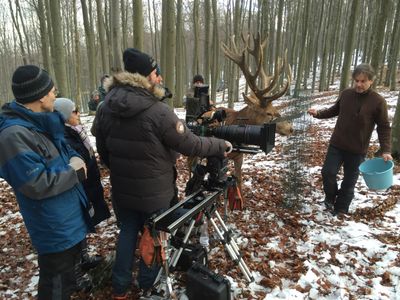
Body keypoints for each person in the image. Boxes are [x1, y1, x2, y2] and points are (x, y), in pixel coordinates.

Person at [95, 48, 232, 299]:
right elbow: (191, 145)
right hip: (155, 194)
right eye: (156, 73)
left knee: (127, 232)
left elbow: (102, 149)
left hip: (123, 191)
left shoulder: (105, 107)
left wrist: (121, 170)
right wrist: (220, 145)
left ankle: (120, 289)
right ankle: (149, 285)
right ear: (145, 76)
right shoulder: (157, 111)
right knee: (155, 235)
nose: (159, 78)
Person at [0, 65, 92, 299]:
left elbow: (68, 152)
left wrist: (74, 160)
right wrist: (74, 172)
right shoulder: (13, 136)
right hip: (53, 227)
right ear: (40, 96)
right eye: (52, 91)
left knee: (67, 282)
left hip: (69, 218)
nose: (55, 95)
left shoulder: (41, 123)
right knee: (56, 287)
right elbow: (36, 183)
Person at [308, 63, 393, 215]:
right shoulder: (346, 94)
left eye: (363, 81)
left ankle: (341, 208)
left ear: (371, 81)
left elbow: (384, 127)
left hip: (357, 150)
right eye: (357, 81)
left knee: (349, 182)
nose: (359, 84)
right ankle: (330, 197)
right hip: (337, 144)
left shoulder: (378, 101)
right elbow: (335, 110)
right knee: (328, 172)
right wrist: (318, 114)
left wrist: (386, 149)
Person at [54, 97, 111, 288]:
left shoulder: (75, 131)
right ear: (63, 116)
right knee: (77, 230)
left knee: (84, 223)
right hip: (77, 189)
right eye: (74, 111)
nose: (78, 114)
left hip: (87, 186)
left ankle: (84, 258)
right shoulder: (63, 136)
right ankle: (76, 277)